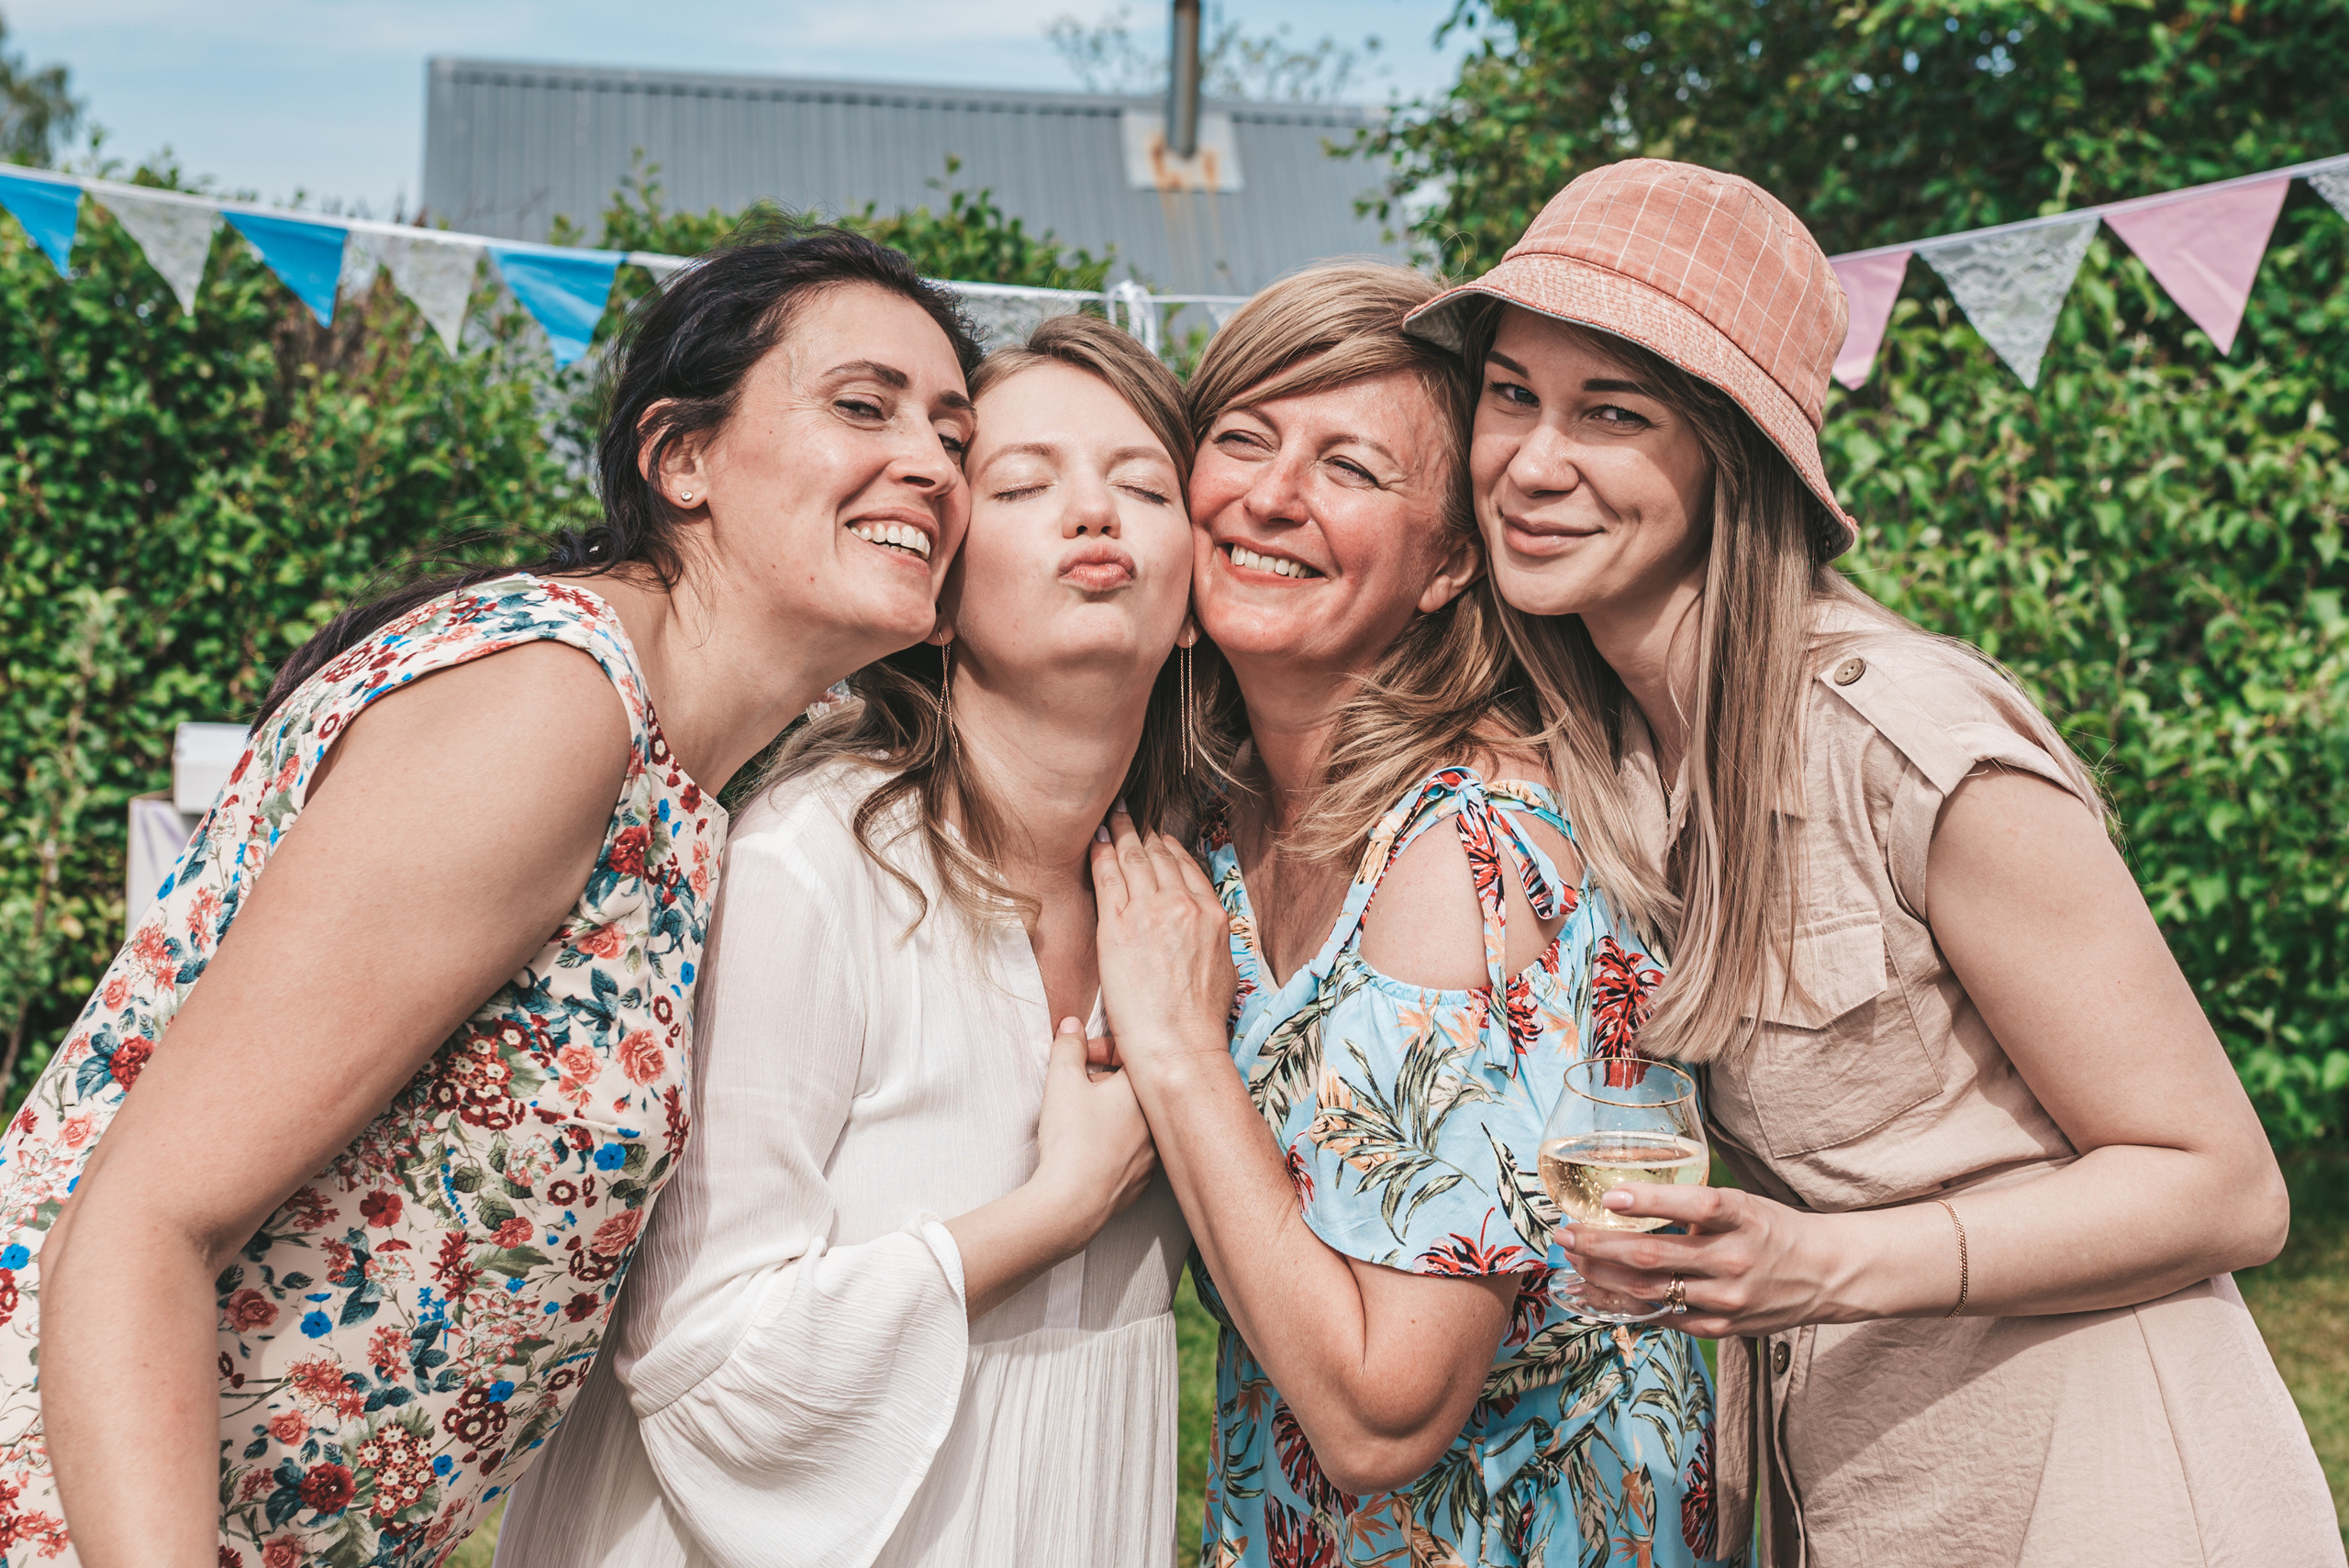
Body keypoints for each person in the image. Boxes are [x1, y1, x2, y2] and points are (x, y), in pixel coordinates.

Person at [1399, 155, 2345, 1565]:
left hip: (2113, 1487)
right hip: (1872, 1499)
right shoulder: (1614, 758)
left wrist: (1825, 1264)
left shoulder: (1904, 743)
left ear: (1730, 455)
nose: (1533, 461)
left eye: (1613, 412)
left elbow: (2224, 1183)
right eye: (1512, 393)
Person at [0, 228, 983, 1568]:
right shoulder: (551, 703)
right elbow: (139, 1222)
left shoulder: (684, 781)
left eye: (957, 435)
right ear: (680, 457)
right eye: (863, 405)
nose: (931, 462)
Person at [493, 313, 1199, 1568]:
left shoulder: (1188, 909)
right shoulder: (814, 865)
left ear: (1194, 598)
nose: (1097, 512)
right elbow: (704, 1350)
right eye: (1026, 484)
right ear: (935, 595)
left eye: (1145, 484)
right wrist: (1056, 1206)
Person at [1085, 262, 1720, 1568]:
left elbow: (1387, 1413)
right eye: (1246, 438)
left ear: (1445, 565)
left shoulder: (1462, 857)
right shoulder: (1222, 827)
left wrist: (1175, 1048)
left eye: (1350, 469)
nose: (1271, 494)